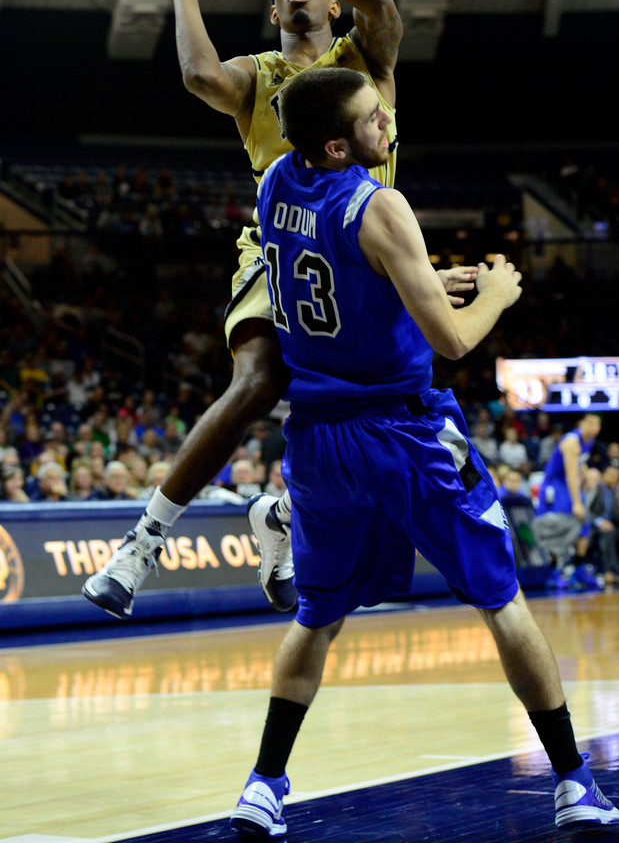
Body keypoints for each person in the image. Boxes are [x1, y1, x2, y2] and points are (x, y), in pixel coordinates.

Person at [225, 67, 618, 837]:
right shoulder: (382, 205)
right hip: (405, 432)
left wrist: (426, 278)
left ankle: (262, 786)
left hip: (318, 436)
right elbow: (450, 340)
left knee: (316, 617)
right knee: (501, 601)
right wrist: (497, 295)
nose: (388, 127)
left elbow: (345, 274)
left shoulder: (276, 179)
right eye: (374, 120)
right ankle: (573, 783)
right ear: (338, 144)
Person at [81, 0, 476, 620]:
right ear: (272, 13)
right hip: (284, 250)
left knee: (392, 425)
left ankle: (283, 518)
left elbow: (383, 3)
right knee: (258, 380)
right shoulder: (259, 75)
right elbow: (199, 76)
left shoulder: (365, 63)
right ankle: (142, 542)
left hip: (369, 252)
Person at [533, 412, 602, 592]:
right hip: (556, 485)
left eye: (597, 425)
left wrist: (588, 477)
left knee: (584, 524)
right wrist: (577, 502)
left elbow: (581, 463)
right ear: (582, 424)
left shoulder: (589, 440)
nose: (594, 428)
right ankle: (554, 572)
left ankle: (577, 568)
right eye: (591, 424)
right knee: (559, 527)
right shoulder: (571, 442)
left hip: (568, 484)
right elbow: (571, 474)